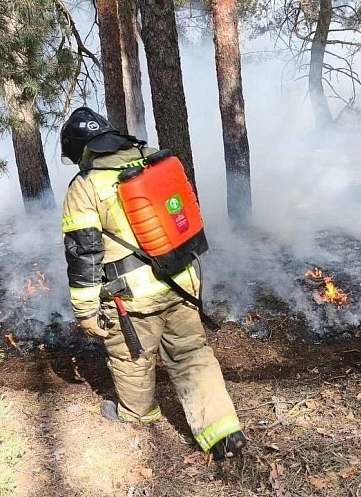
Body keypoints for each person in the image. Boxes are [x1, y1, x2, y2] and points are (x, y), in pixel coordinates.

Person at [59, 107, 247, 460]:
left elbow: (83, 252)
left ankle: (139, 415)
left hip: (134, 296)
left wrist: (85, 311)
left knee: (132, 357)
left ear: (80, 149)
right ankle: (223, 431)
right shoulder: (151, 157)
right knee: (192, 354)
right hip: (182, 280)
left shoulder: (85, 186)